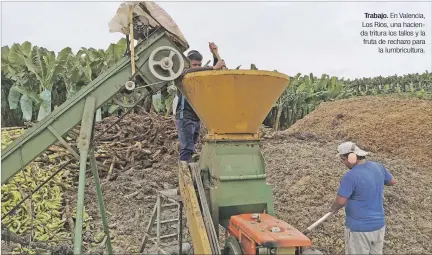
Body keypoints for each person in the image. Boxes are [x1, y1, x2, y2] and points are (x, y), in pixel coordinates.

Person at [329, 141, 396, 255]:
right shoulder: (378, 166)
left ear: (351, 157)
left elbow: (340, 201)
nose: (343, 163)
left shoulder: (350, 177)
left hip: (359, 230)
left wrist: (333, 208)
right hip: (379, 226)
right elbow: (392, 181)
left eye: (343, 159)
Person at [174, 42, 225, 162]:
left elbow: (212, 74)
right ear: (188, 64)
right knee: (186, 148)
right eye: (194, 64)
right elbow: (190, 72)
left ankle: (191, 174)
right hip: (184, 117)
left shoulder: (198, 77)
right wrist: (213, 67)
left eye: (199, 65)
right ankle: (185, 177)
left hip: (196, 118)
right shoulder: (182, 75)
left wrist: (214, 55)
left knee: (192, 149)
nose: (197, 67)